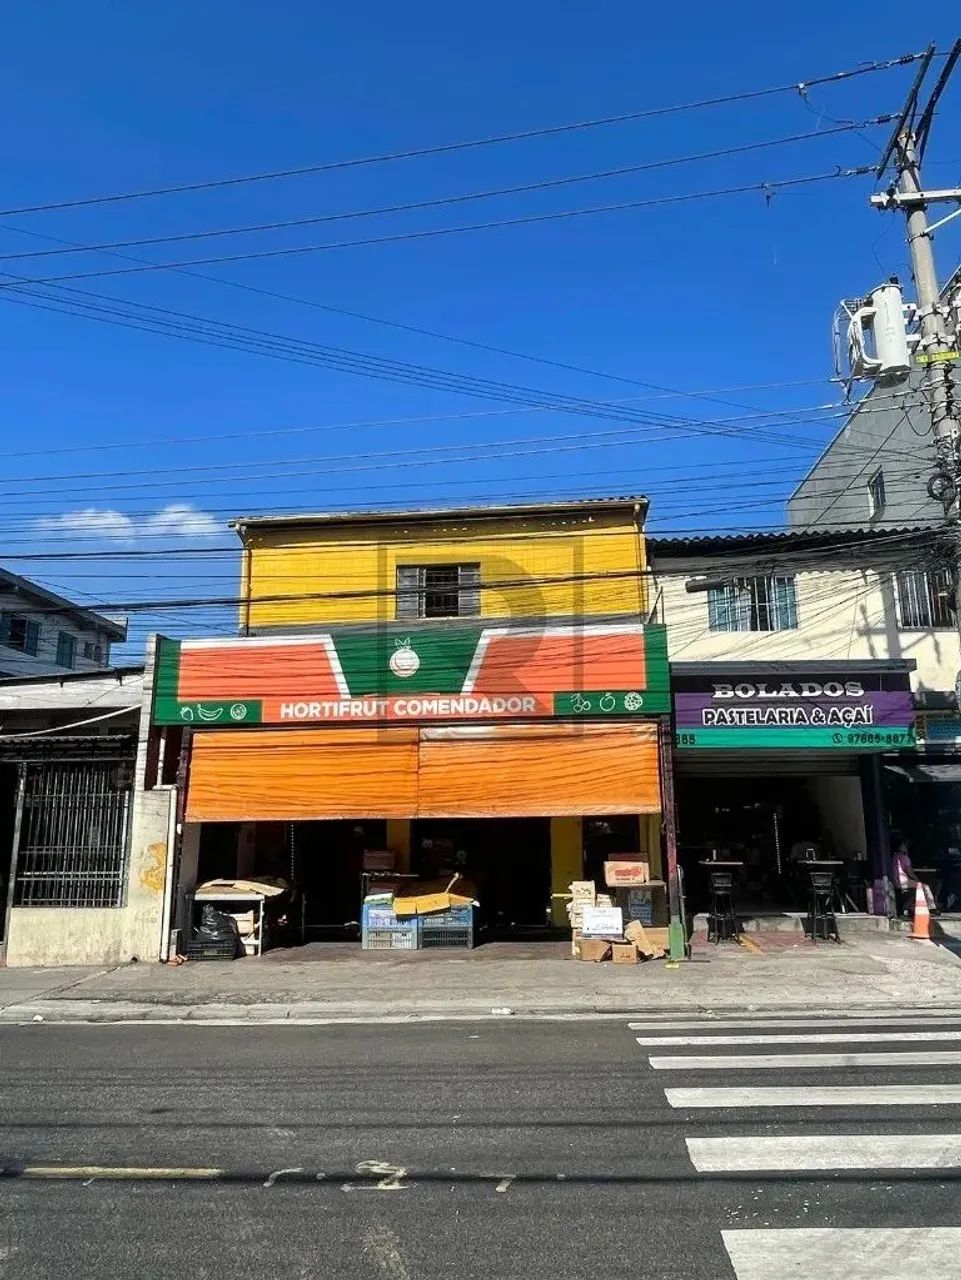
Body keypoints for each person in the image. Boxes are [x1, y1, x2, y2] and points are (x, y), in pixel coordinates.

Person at [891, 832, 936, 915]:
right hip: (902, 882)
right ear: (902, 846)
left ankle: (909, 907)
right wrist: (918, 881)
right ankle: (931, 907)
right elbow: (910, 872)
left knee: (915, 889)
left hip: (894, 881)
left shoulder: (893, 857)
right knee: (925, 887)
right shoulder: (904, 858)